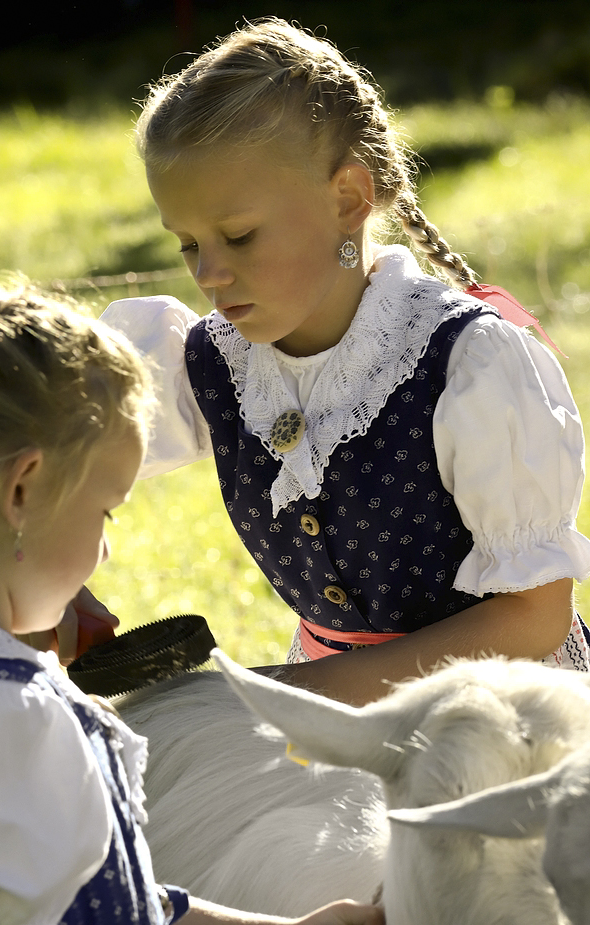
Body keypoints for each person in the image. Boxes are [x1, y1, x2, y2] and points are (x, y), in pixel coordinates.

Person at [101, 17, 590, 706]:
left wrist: (293, 695)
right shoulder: (210, 364)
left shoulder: (466, 362)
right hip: (329, 704)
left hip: (494, 713)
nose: (209, 273)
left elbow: (531, 616)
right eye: (187, 243)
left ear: (347, 198)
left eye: (238, 236)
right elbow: (50, 463)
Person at [0, 280, 383, 925]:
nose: (104, 553)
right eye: (104, 513)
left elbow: (112, 896)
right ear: (22, 489)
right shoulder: (11, 711)